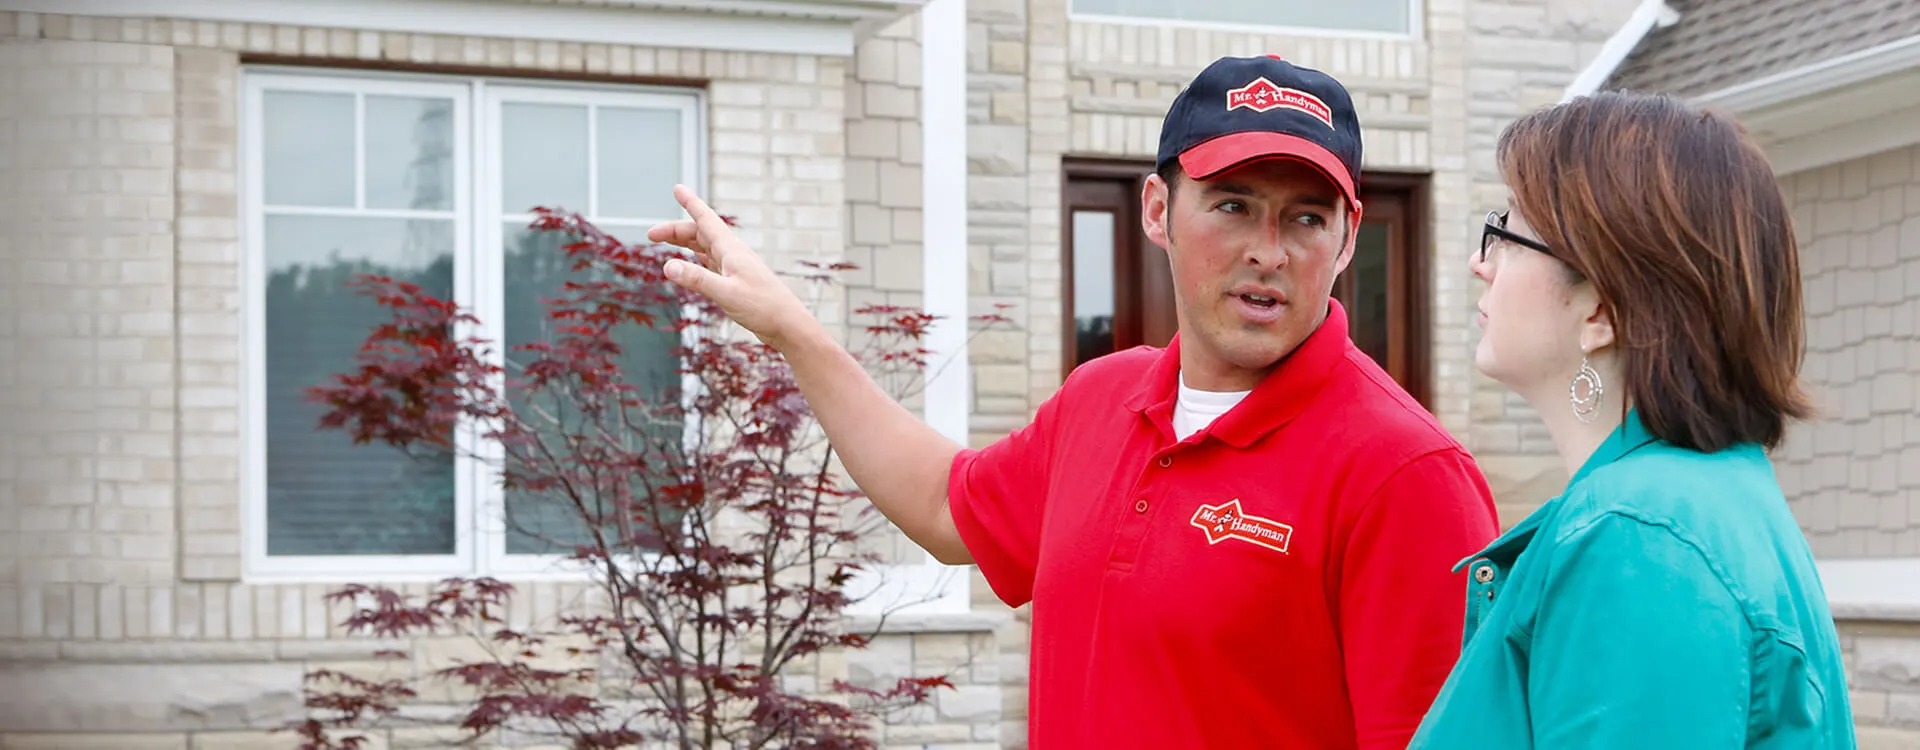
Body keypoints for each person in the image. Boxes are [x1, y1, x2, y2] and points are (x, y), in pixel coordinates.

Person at [650, 54, 1500, 749]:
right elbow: (949, 507)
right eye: (1233, 206)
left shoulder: (1405, 474)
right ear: (1160, 210)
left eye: (1306, 219)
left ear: (1347, 238)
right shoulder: (1105, 396)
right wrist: (793, 329)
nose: (1268, 251)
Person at [1408, 90, 1856, 749]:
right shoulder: (1692, 500)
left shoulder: (1638, 538)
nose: (1482, 264)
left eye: (1507, 234)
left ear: (1602, 313)